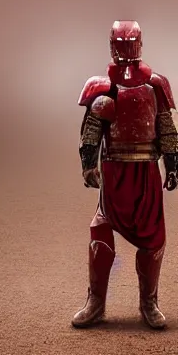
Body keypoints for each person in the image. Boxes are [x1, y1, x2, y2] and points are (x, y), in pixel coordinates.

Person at [73, 20, 178, 329]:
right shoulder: (102, 86)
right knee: (101, 231)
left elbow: (166, 129)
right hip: (114, 169)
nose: (125, 50)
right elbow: (92, 129)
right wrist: (89, 164)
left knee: (153, 237)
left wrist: (172, 166)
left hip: (146, 171)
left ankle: (149, 302)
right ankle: (96, 302)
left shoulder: (156, 85)